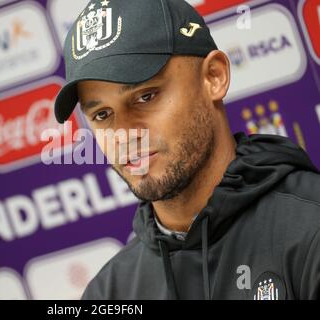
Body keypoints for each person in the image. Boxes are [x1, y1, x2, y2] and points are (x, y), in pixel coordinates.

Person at [53, 0, 320, 299]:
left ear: (214, 77)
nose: (124, 135)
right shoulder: (108, 293)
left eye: (146, 96)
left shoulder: (311, 227)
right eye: (102, 115)